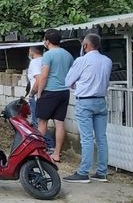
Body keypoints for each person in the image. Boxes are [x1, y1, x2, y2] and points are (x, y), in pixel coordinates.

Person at [62, 33, 112, 184]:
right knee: (101, 137)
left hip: (85, 102)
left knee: (87, 138)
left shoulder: (81, 60)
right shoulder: (107, 61)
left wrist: (77, 84)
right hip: (101, 101)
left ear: (85, 45)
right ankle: (102, 172)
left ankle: (83, 172)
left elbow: (68, 81)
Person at [36, 29, 75, 163]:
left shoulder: (48, 55)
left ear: (47, 41)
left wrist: (39, 92)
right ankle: (57, 154)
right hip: (64, 92)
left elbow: (44, 75)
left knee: (42, 121)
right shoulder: (68, 55)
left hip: (50, 91)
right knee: (59, 123)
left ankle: (39, 151)